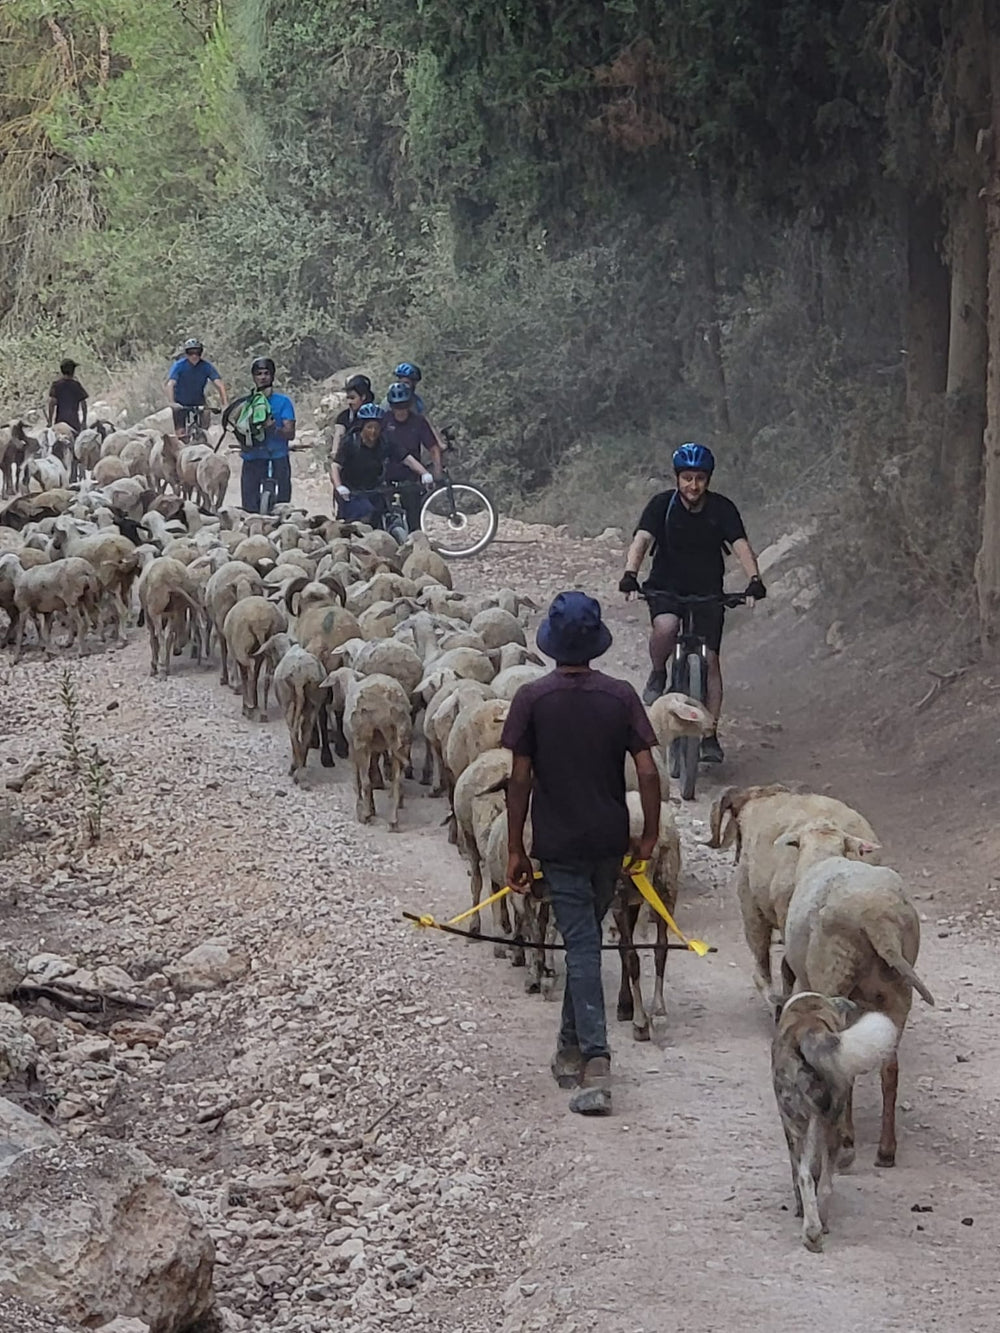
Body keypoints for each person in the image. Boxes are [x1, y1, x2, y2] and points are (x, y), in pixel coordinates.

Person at [501, 591, 661, 1117]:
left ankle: (596, 1062)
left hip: (560, 843)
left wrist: (515, 848)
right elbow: (647, 770)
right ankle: (569, 1048)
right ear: (595, 643)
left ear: (550, 645)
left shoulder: (532, 698)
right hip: (608, 841)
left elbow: (519, 777)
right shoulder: (621, 697)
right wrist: (649, 834)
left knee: (584, 947)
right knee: (585, 942)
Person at [618, 442, 765, 763]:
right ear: (677, 479)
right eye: (687, 478)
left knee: (710, 660)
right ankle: (659, 672)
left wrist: (754, 579)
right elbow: (642, 539)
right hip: (666, 587)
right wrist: (630, 573)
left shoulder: (722, 509)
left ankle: (710, 734)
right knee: (666, 626)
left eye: (699, 478)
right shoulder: (661, 505)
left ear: (708, 480)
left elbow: (740, 544)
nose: (693, 485)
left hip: (707, 591)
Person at [235, 357, 296, 512]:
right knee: (249, 509)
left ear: (272, 376)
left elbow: (290, 433)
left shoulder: (283, 402)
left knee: (283, 506)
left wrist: (274, 428)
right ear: (254, 377)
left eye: (266, 373)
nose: (262, 377)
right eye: (259, 374)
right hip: (253, 457)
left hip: (278, 456)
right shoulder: (246, 402)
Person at [379, 381, 436, 533]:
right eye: (397, 407)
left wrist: (433, 474)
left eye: (404, 406)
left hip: (411, 475)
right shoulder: (383, 421)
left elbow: (433, 447)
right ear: (391, 406)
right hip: (386, 474)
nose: (401, 410)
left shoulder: (418, 422)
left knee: (413, 512)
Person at [385, 362, 448, 460]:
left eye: (407, 383)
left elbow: (426, 422)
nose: (404, 386)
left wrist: (438, 443)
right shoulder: (389, 402)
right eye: (401, 382)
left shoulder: (417, 401)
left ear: (414, 383)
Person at [166, 338, 227, 438]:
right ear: (186, 354)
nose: (194, 356)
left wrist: (225, 404)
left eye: (197, 352)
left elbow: (219, 384)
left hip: (198, 400)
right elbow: (170, 384)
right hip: (180, 401)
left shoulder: (206, 366)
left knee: (206, 414)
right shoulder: (179, 366)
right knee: (180, 432)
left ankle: (204, 436)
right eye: (190, 353)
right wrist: (172, 402)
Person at [330, 374, 375, 455]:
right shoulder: (344, 417)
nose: (349, 402)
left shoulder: (375, 415)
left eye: (352, 398)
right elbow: (339, 434)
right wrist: (335, 453)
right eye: (348, 398)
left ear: (363, 397)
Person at [47, 359, 88, 434]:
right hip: (74, 424)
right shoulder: (76, 385)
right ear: (73, 371)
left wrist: (50, 421)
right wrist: (84, 421)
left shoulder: (56, 385)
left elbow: (51, 403)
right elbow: (83, 404)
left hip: (59, 422)